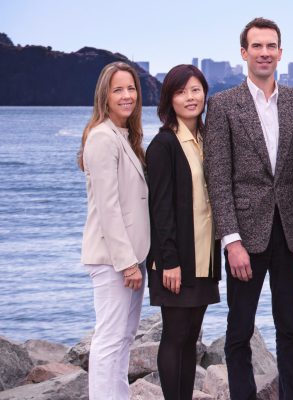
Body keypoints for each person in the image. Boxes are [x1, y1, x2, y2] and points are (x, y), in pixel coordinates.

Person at [203, 17, 293, 400]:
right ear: (244, 53)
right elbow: (218, 178)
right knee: (239, 329)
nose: (265, 53)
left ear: (281, 53)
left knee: (290, 328)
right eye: (257, 46)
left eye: (271, 46)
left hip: (291, 235)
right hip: (246, 237)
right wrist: (231, 242)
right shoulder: (222, 105)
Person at [146, 64, 221, 400]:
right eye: (181, 92)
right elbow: (159, 210)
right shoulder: (164, 145)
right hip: (177, 261)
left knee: (191, 336)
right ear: (169, 100)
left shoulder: (207, 140)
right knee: (175, 335)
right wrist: (169, 261)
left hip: (204, 259)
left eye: (195, 90)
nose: (190, 98)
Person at [79, 61, 149, 400]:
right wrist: (127, 263)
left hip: (129, 260)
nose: (126, 96)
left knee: (123, 338)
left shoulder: (125, 136)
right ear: (104, 96)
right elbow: (108, 209)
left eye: (131, 88)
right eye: (118, 89)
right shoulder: (102, 137)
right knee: (109, 340)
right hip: (113, 261)